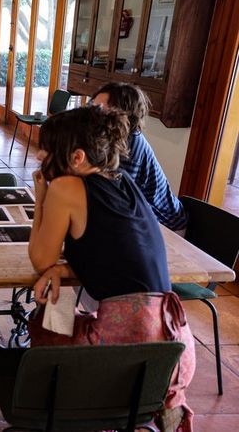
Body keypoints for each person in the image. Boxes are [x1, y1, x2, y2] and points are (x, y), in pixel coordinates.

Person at [27, 106, 195, 431]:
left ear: (76, 157)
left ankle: (77, 408)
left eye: (46, 148)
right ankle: (145, 404)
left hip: (124, 344)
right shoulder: (125, 181)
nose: (39, 155)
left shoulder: (65, 188)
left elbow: (41, 259)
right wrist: (64, 269)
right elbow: (108, 245)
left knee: (47, 321)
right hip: (172, 338)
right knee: (60, 298)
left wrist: (40, 199)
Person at [90, 82, 187, 231]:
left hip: (166, 225)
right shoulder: (107, 137)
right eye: (92, 108)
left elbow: (116, 197)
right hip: (139, 215)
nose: (92, 116)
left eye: (100, 111)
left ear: (123, 114)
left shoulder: (131, 142)